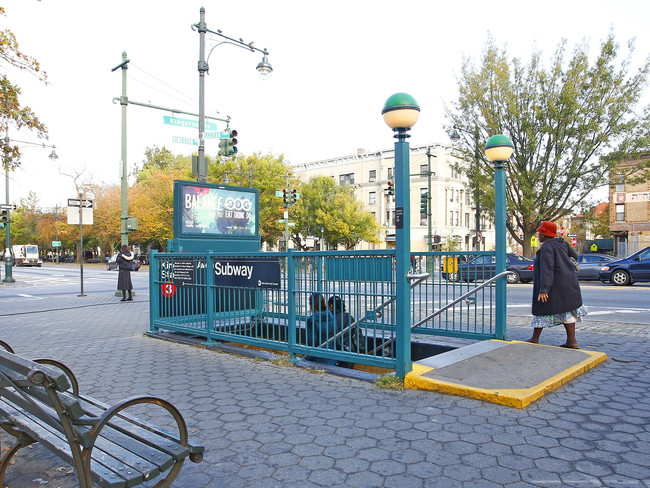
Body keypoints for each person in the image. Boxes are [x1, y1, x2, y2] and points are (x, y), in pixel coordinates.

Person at [527, 221, 587, 348]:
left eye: (540, 232)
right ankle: (571, 341)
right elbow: (574, 256)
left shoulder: (546, 248)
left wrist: (544, 289)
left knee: (541, 310)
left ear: (544, 234)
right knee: (567, 312)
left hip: (554, 286)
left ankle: (535, 338)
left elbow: (547, 269)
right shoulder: (563, 243)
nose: (538, 235)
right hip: (568, 283)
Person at [304, 293, 336, 364]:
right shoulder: (331, 317)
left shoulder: (312, 320)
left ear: (311, 305)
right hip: (332, 358)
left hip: (317, 359)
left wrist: (305, 358)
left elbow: (311, 342)